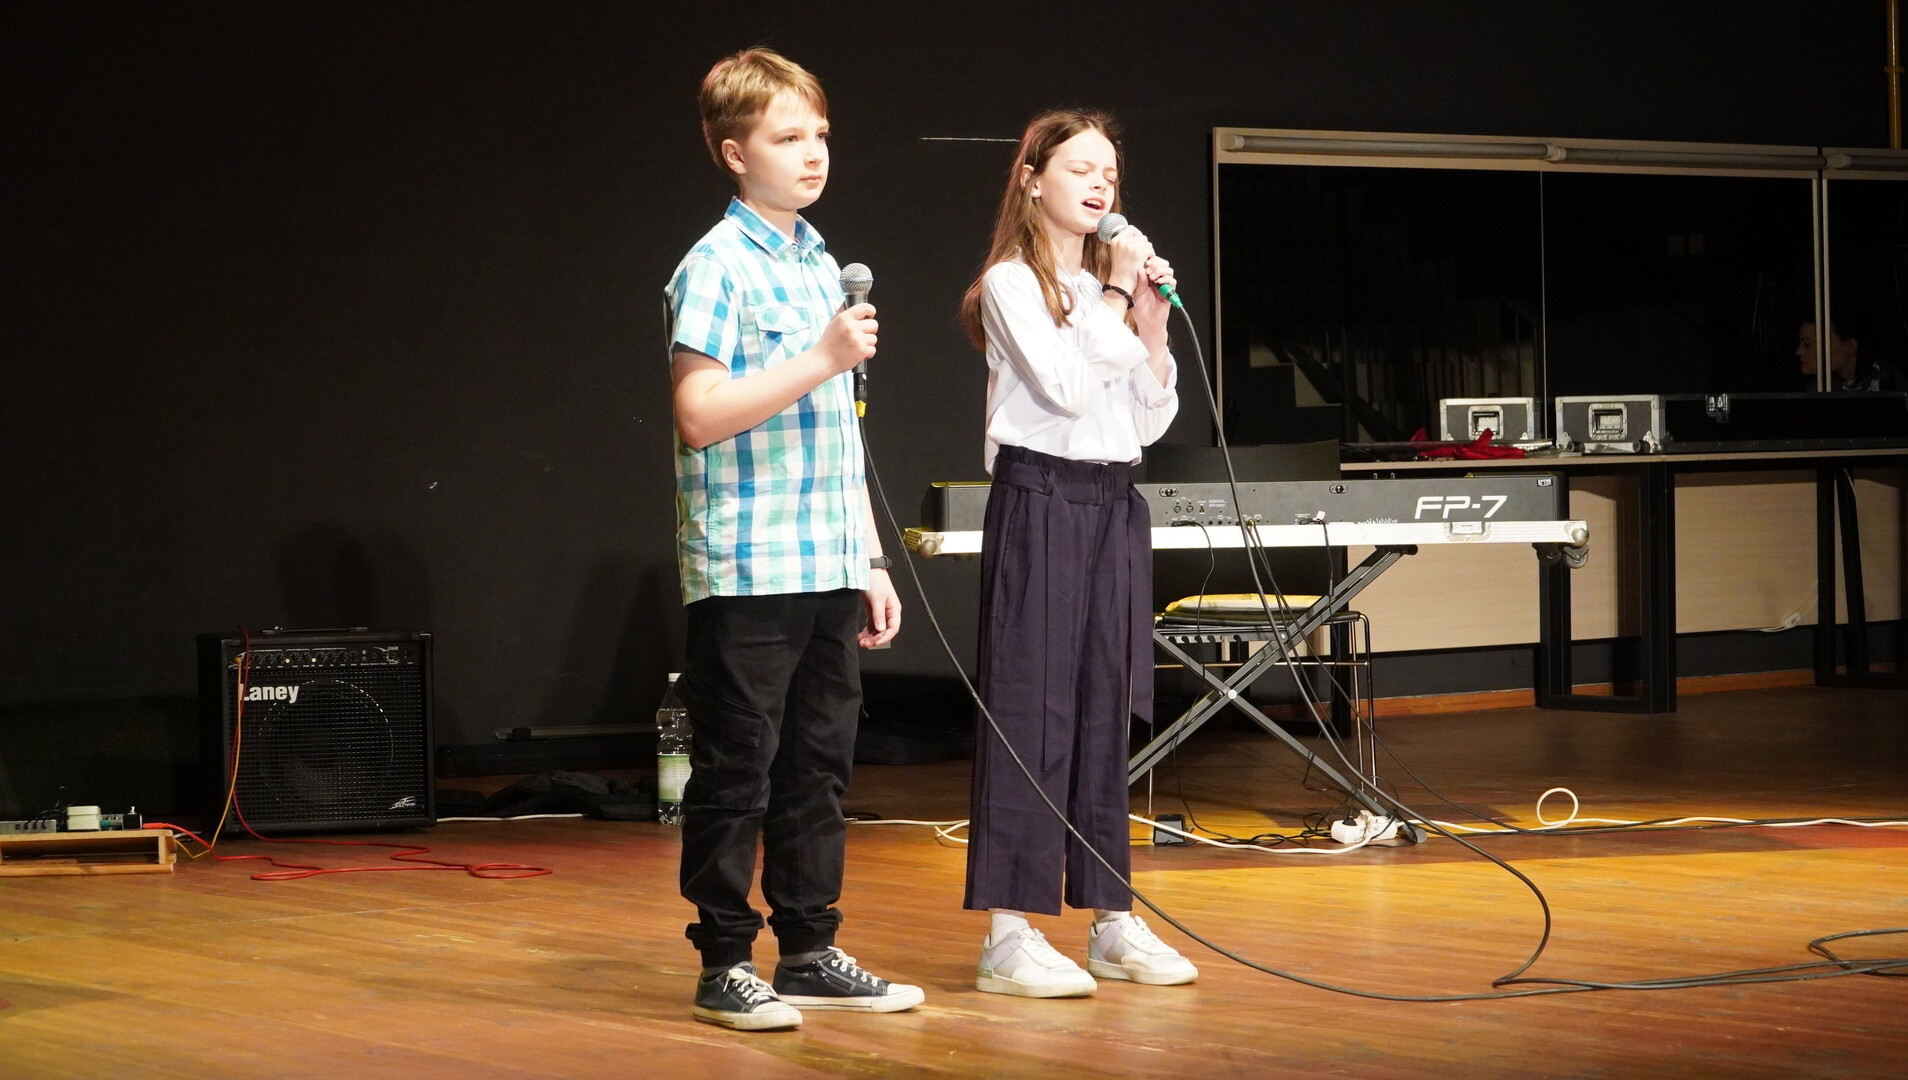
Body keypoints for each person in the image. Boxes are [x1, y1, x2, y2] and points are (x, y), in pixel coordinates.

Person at [663, 47, 921, 1031]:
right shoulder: (714, 267)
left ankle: (809, 949)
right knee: (738, 768)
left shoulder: (819, 261)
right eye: (787, 137)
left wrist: (869, 556)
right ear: (735, 153)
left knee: (819, 766)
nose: (813, 154)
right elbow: (699, 413)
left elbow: (840, 433)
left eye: (820, 134)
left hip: (827, 555)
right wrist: (821, 356)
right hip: (749, 562)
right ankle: (724, 961)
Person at [954, 109, 1198, 997]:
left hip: (1112, 502)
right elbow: (1060, 387)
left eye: (1110, 174)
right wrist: (1114, 298)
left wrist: (1150, 324)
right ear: (1032, 180)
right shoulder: (1010, 284)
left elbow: (1148, 420)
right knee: (1032, 708)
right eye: (1081, 168)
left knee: (1104, 705)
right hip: (1042, 496)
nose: (1101, 185)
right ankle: (1008, 936)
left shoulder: (1107, 292)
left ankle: (1112, 919)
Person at [1796, 317, 1908, 392]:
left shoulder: (1889, 382)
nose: (1798, 351)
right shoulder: (1816, 388)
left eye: (1807, 344)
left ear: (1850, 347)